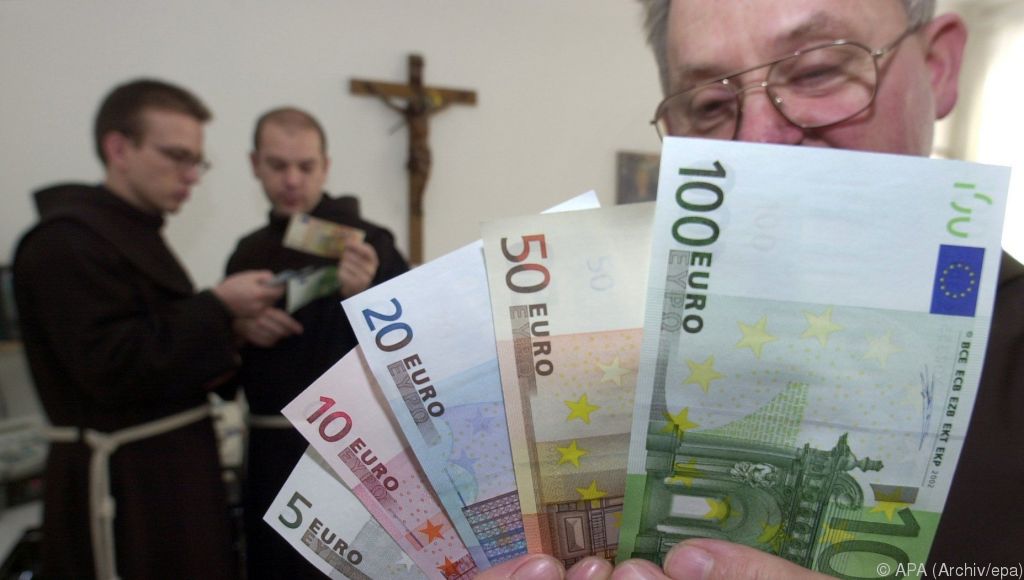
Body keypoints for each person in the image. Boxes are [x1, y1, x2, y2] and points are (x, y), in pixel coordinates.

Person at [481, 0, 1023, 578]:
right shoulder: (597, 367)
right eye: (710, 104)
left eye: (816, 70)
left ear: (939, 67)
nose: (757, 138)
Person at [12, 79, 284, 579]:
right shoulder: (65, 242)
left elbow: (162, 345)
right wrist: (218, 306)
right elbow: (111, 366)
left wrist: (234, 331)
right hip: (128, 489)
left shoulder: (133, 232)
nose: (191, 175)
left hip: (169, 476)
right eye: (177, 156)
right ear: (119, 149)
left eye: (197, 161)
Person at [225, 106, 409, 579]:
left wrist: (365, 295)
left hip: (355, 452)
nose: (291, 180)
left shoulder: (372, 242)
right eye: (277, 165)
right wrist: (238, 330)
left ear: (325, 167)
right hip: (270, 450)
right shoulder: (247, 251)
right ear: (254, 165)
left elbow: (415, 345)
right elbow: (224, 364)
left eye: (305, 166)